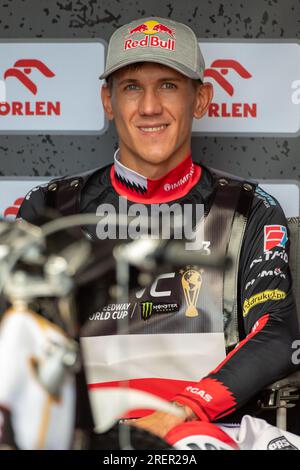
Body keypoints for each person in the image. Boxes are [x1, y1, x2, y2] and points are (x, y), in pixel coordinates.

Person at [16, 17, 299, 448]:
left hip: (203, 428)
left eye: (168, 85)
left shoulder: (247, 208)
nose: (149, 106)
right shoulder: (52, 208)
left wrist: (182, 412)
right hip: (76, 434)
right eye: (131, 86)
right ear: (108, 101)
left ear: (201, 98)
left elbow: (276, 331)